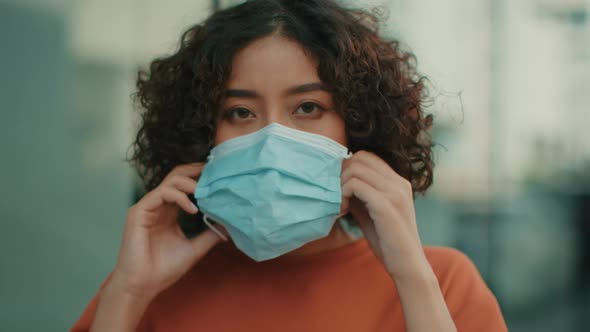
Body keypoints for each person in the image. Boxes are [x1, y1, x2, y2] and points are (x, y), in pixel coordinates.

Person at [70, 0, 507, 331]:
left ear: (357, 126)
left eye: (308, 107)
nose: (271, 141)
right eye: (240, 112)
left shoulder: (444, 281)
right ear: (203, 132)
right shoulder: (148, 289)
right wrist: (128, 292)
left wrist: (411, 277)